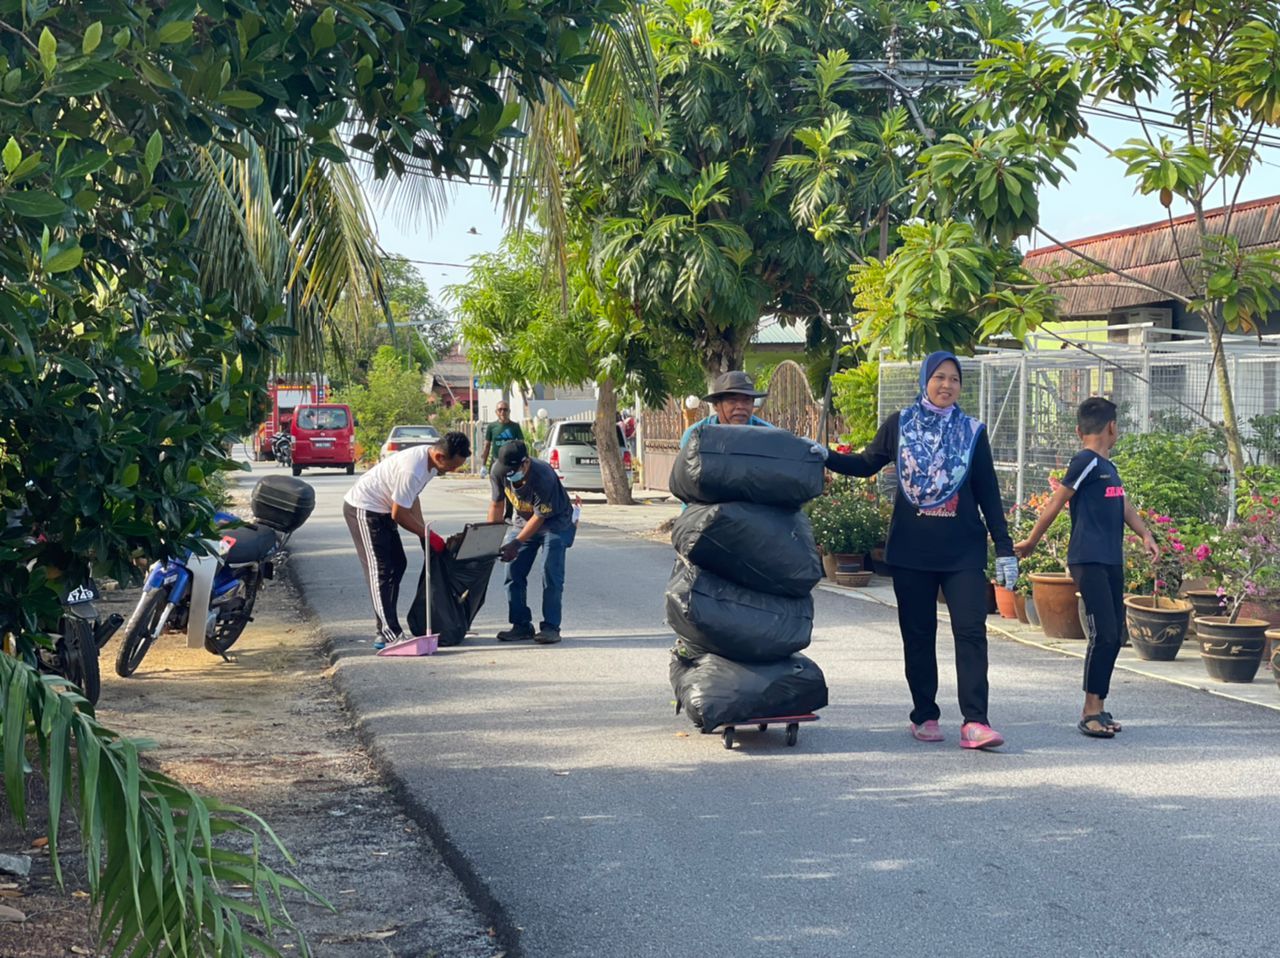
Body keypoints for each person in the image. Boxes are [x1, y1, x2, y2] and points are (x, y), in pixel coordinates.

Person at [823, 352, 1017, 750]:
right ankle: (925, 714)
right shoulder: (900, 425)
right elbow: (865, 464)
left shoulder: (972, 432)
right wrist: (823, 455)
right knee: (918, 634)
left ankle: (975, 721)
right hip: (912, 551)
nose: (947, 385)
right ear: (925, 381)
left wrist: (1004, 548)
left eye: (954, 379)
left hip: (963, 551)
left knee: (971, 631)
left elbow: (988, 493)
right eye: (939, 377)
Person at [1014, 397, 1158, 739]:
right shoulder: (1085, 461)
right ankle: (1089, 711)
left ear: (1080, 430)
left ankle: (1099, 705)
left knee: (1114, 634)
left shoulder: (1109, 467)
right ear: (1113, 428)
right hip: (1088, 559)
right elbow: (1057, 501)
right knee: (1102, 632)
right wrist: (1032, 540)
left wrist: (1145, 534)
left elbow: (1123, 503)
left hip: (1110, 559)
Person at [343, 432, 471, 650]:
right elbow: (399, 514)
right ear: (440, 456)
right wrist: (427, 535)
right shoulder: (412, 469)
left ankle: (385, 629)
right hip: (364, 509)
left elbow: (412, 498)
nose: (453, 470)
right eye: (452, 466)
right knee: (381, 570)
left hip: (382, 510)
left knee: (398, 564)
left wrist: (423, 531)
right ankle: (390, 633)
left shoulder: (431, 464)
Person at [488, 440, 577, 645]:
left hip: (555, 523)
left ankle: (551, 628)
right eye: (506, 471)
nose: (509, 476)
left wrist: (516, 544)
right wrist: (490, 540)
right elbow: (497, 504)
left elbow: (539, 517)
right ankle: (521, 625)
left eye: (513, 471)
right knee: (513, 572)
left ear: (526, 463)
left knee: (551, 573)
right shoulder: (498, 471)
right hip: (522, 522)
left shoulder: (543, 475)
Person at [680, 370, 772, 448]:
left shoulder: (768, 436)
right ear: (715, 405)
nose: (740, 406)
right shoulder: (696, 435)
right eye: (732, 401)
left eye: (746, 401)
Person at [480, 401, 525, 474]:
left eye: (505, 409)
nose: (502, 412)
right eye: (500, 409)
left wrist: (522, 462)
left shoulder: (515, 426)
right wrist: (483, 465)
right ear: (496, 412)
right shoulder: (491, 426)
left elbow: (521, 445)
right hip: (496, 460)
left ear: (509, 411)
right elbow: (487, 446)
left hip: (511, 462)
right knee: (495, 480)